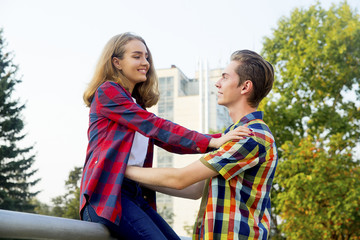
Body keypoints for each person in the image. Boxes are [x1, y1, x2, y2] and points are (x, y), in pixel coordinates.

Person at [79, 32, 252, 240]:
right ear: (117, 62)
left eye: (146, 57)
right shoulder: (107, 92)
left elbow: (167, 140)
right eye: (137, 56)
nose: (145, 63)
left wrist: (219, 140)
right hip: (108, 196)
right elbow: (157, 127)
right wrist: (212, 141)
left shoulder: (136, 106)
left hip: (134, 194)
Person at [125, 49, 278, 240]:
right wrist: (137, 178)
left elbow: (181, 178)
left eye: (225, 77)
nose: (218, 83)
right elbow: (194, 189)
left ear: (245, 87)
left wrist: (121, 170)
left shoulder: (251, 137)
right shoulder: (233, 136)